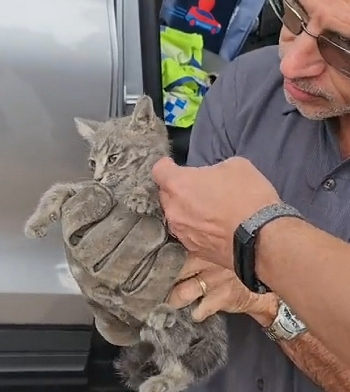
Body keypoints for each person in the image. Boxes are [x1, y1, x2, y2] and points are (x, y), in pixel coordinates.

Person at [146, 0, 350, 390]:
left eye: (342, 49)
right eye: (295, 15)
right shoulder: (246, 89)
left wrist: (265, 296)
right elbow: (189, 274)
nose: (290, 65)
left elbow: (229, 278)